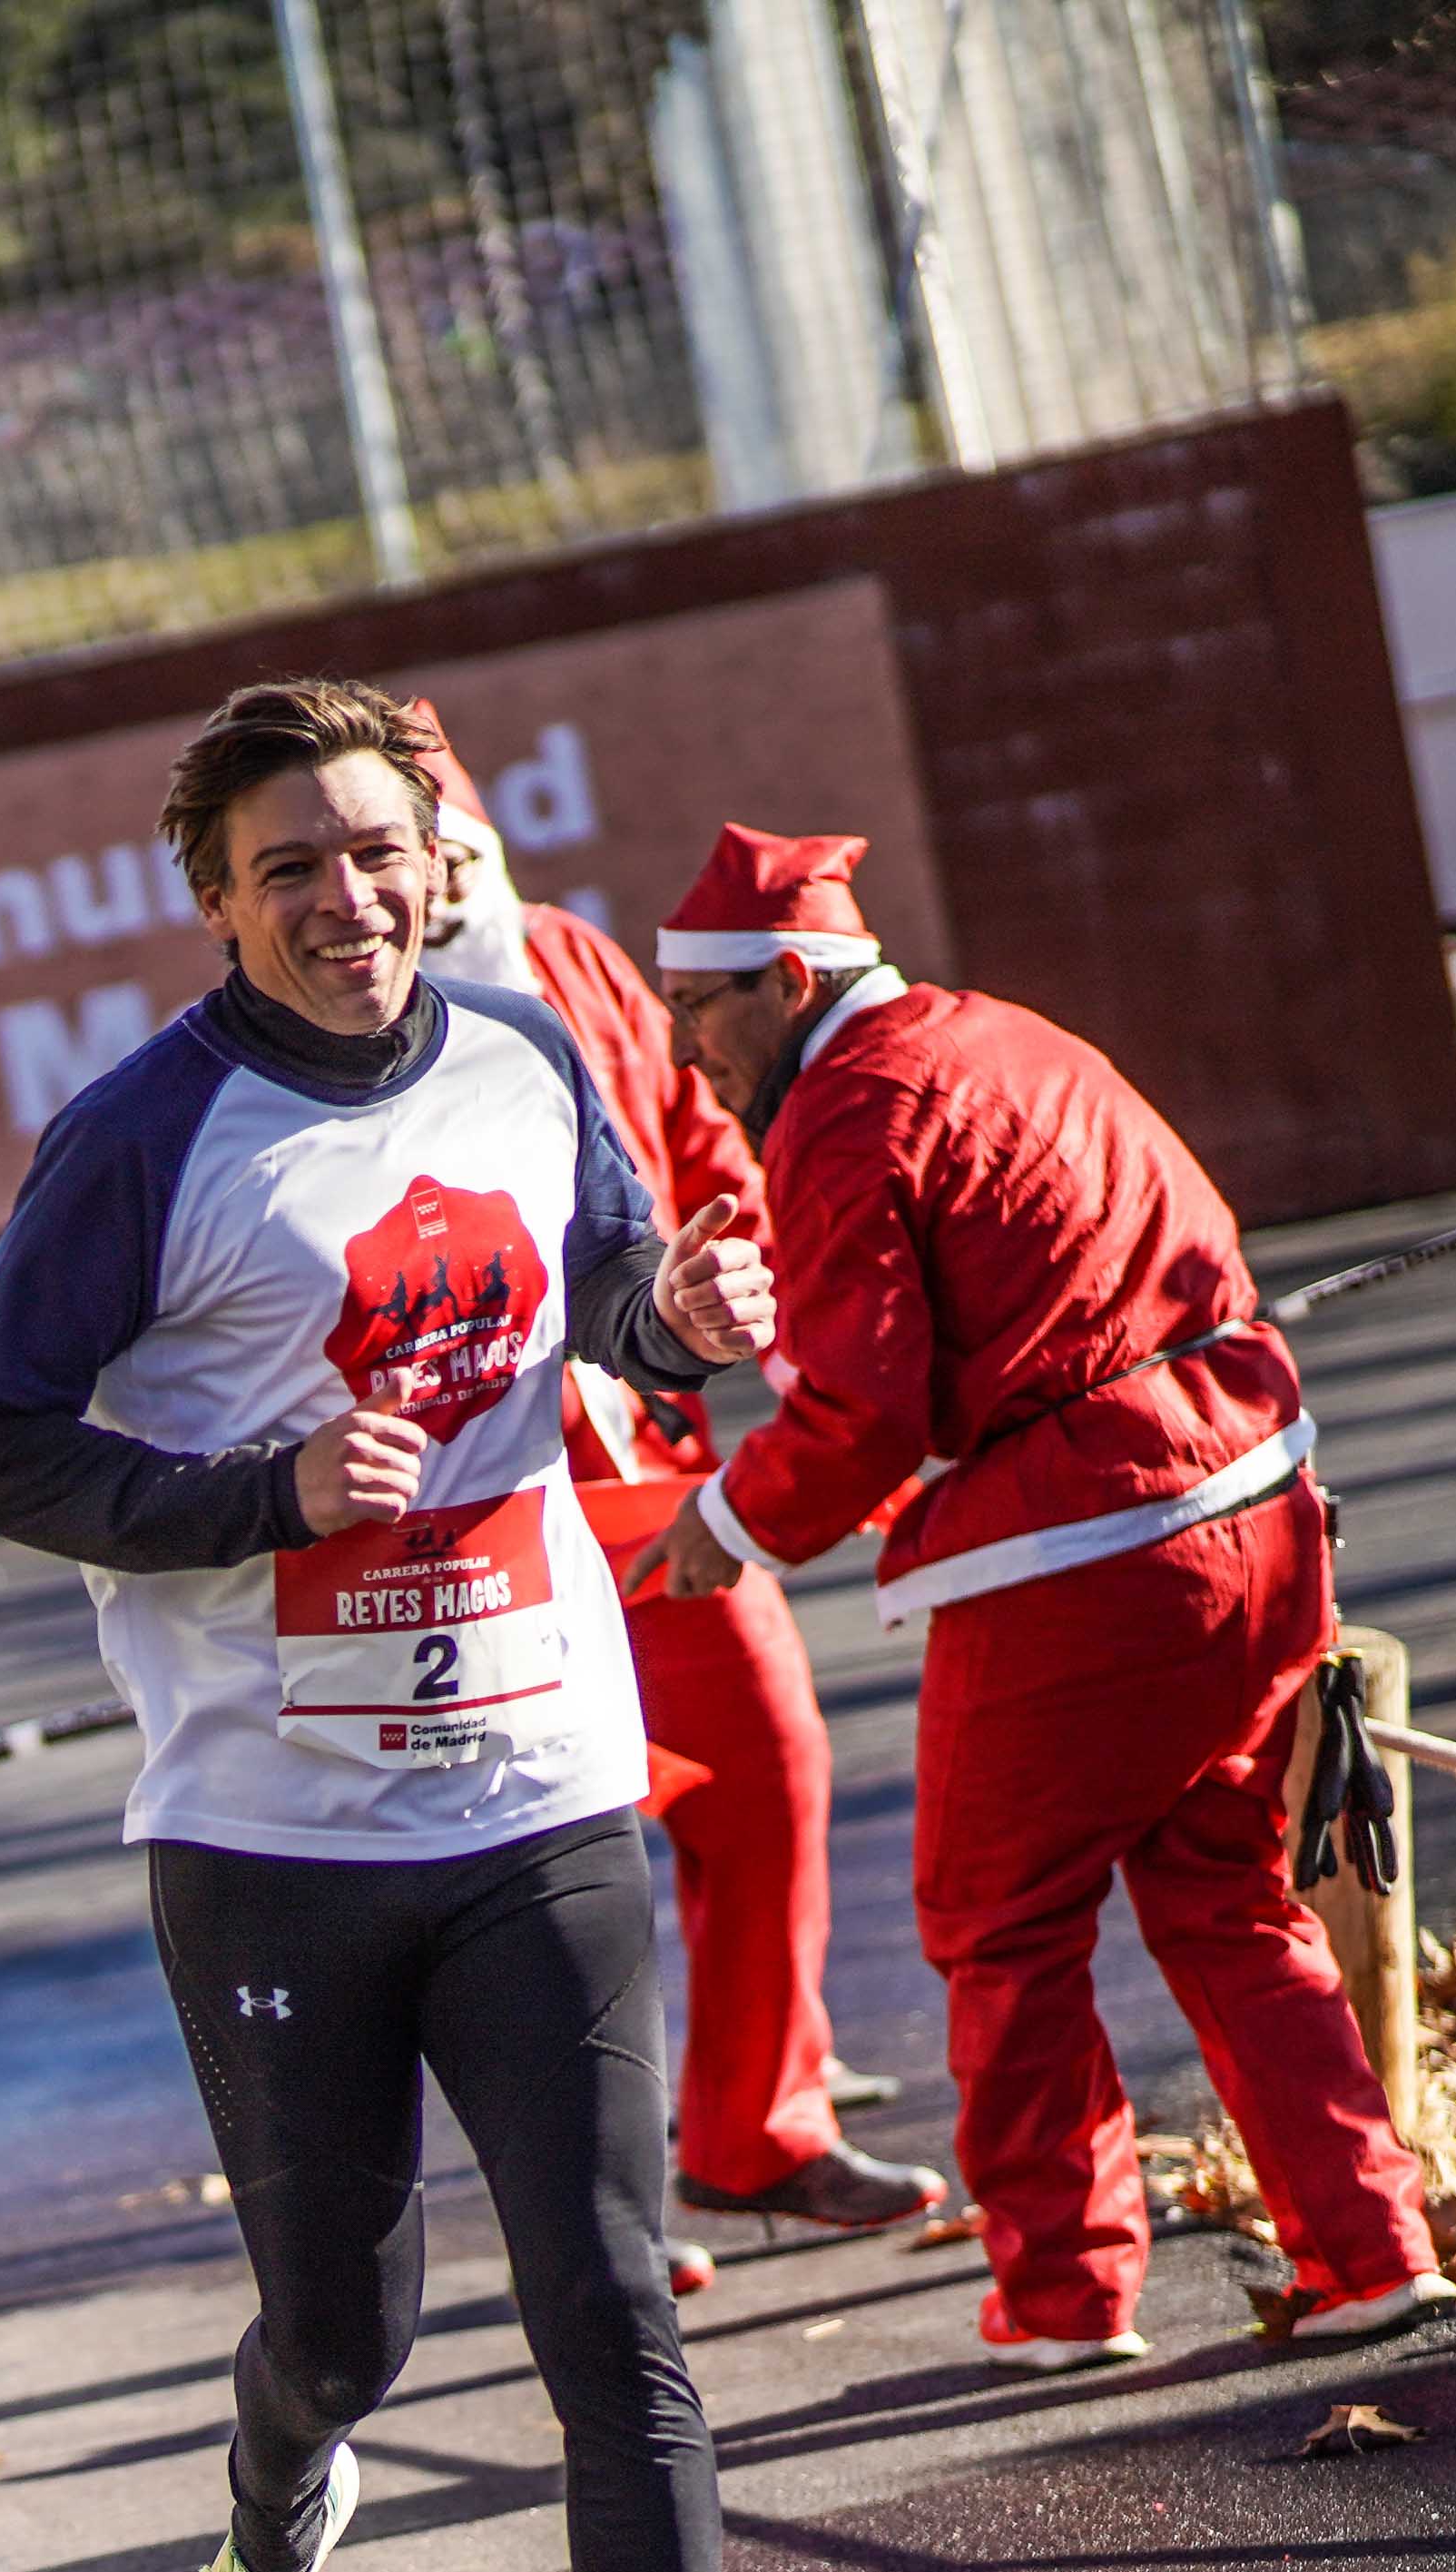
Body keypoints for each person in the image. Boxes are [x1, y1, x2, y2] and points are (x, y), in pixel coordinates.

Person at [0, 674, 855, 2572]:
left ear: (443, 859)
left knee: (614, 2315)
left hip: (538, 1786)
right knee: (348, 2334)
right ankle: (269, 2530)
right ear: (220, 907)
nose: (349, 901)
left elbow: (612, 1296)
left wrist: (687, 1315)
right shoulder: (147, 1137)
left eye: (378, 852)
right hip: (269, 1837)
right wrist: (254, 1501)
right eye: (291, 871)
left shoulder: (530, 1048)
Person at [638, 825, 1456, 2370]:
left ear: (791, 979)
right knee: (1231, 1904)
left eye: (702, 1014)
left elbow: (862, 1412)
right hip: (1259, 1508)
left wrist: (727, 1524)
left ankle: (1067, 2294)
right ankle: (1369, 2247)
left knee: (996, 1922)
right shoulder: (1003, 1031)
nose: (691, 1055)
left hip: (1084, 1559)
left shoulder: (843, 1109)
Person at [406, 719, 943, 2259]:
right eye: (389, 852)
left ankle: (758, 2133)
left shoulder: (571, 956)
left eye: (442, 839)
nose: (426, 876)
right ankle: (595, 2200)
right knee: (539, 1856)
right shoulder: (318, 1041)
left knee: (767, 1770)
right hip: (478, 1503)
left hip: (650, 1463)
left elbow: (714, 1160)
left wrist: (815, 1345)